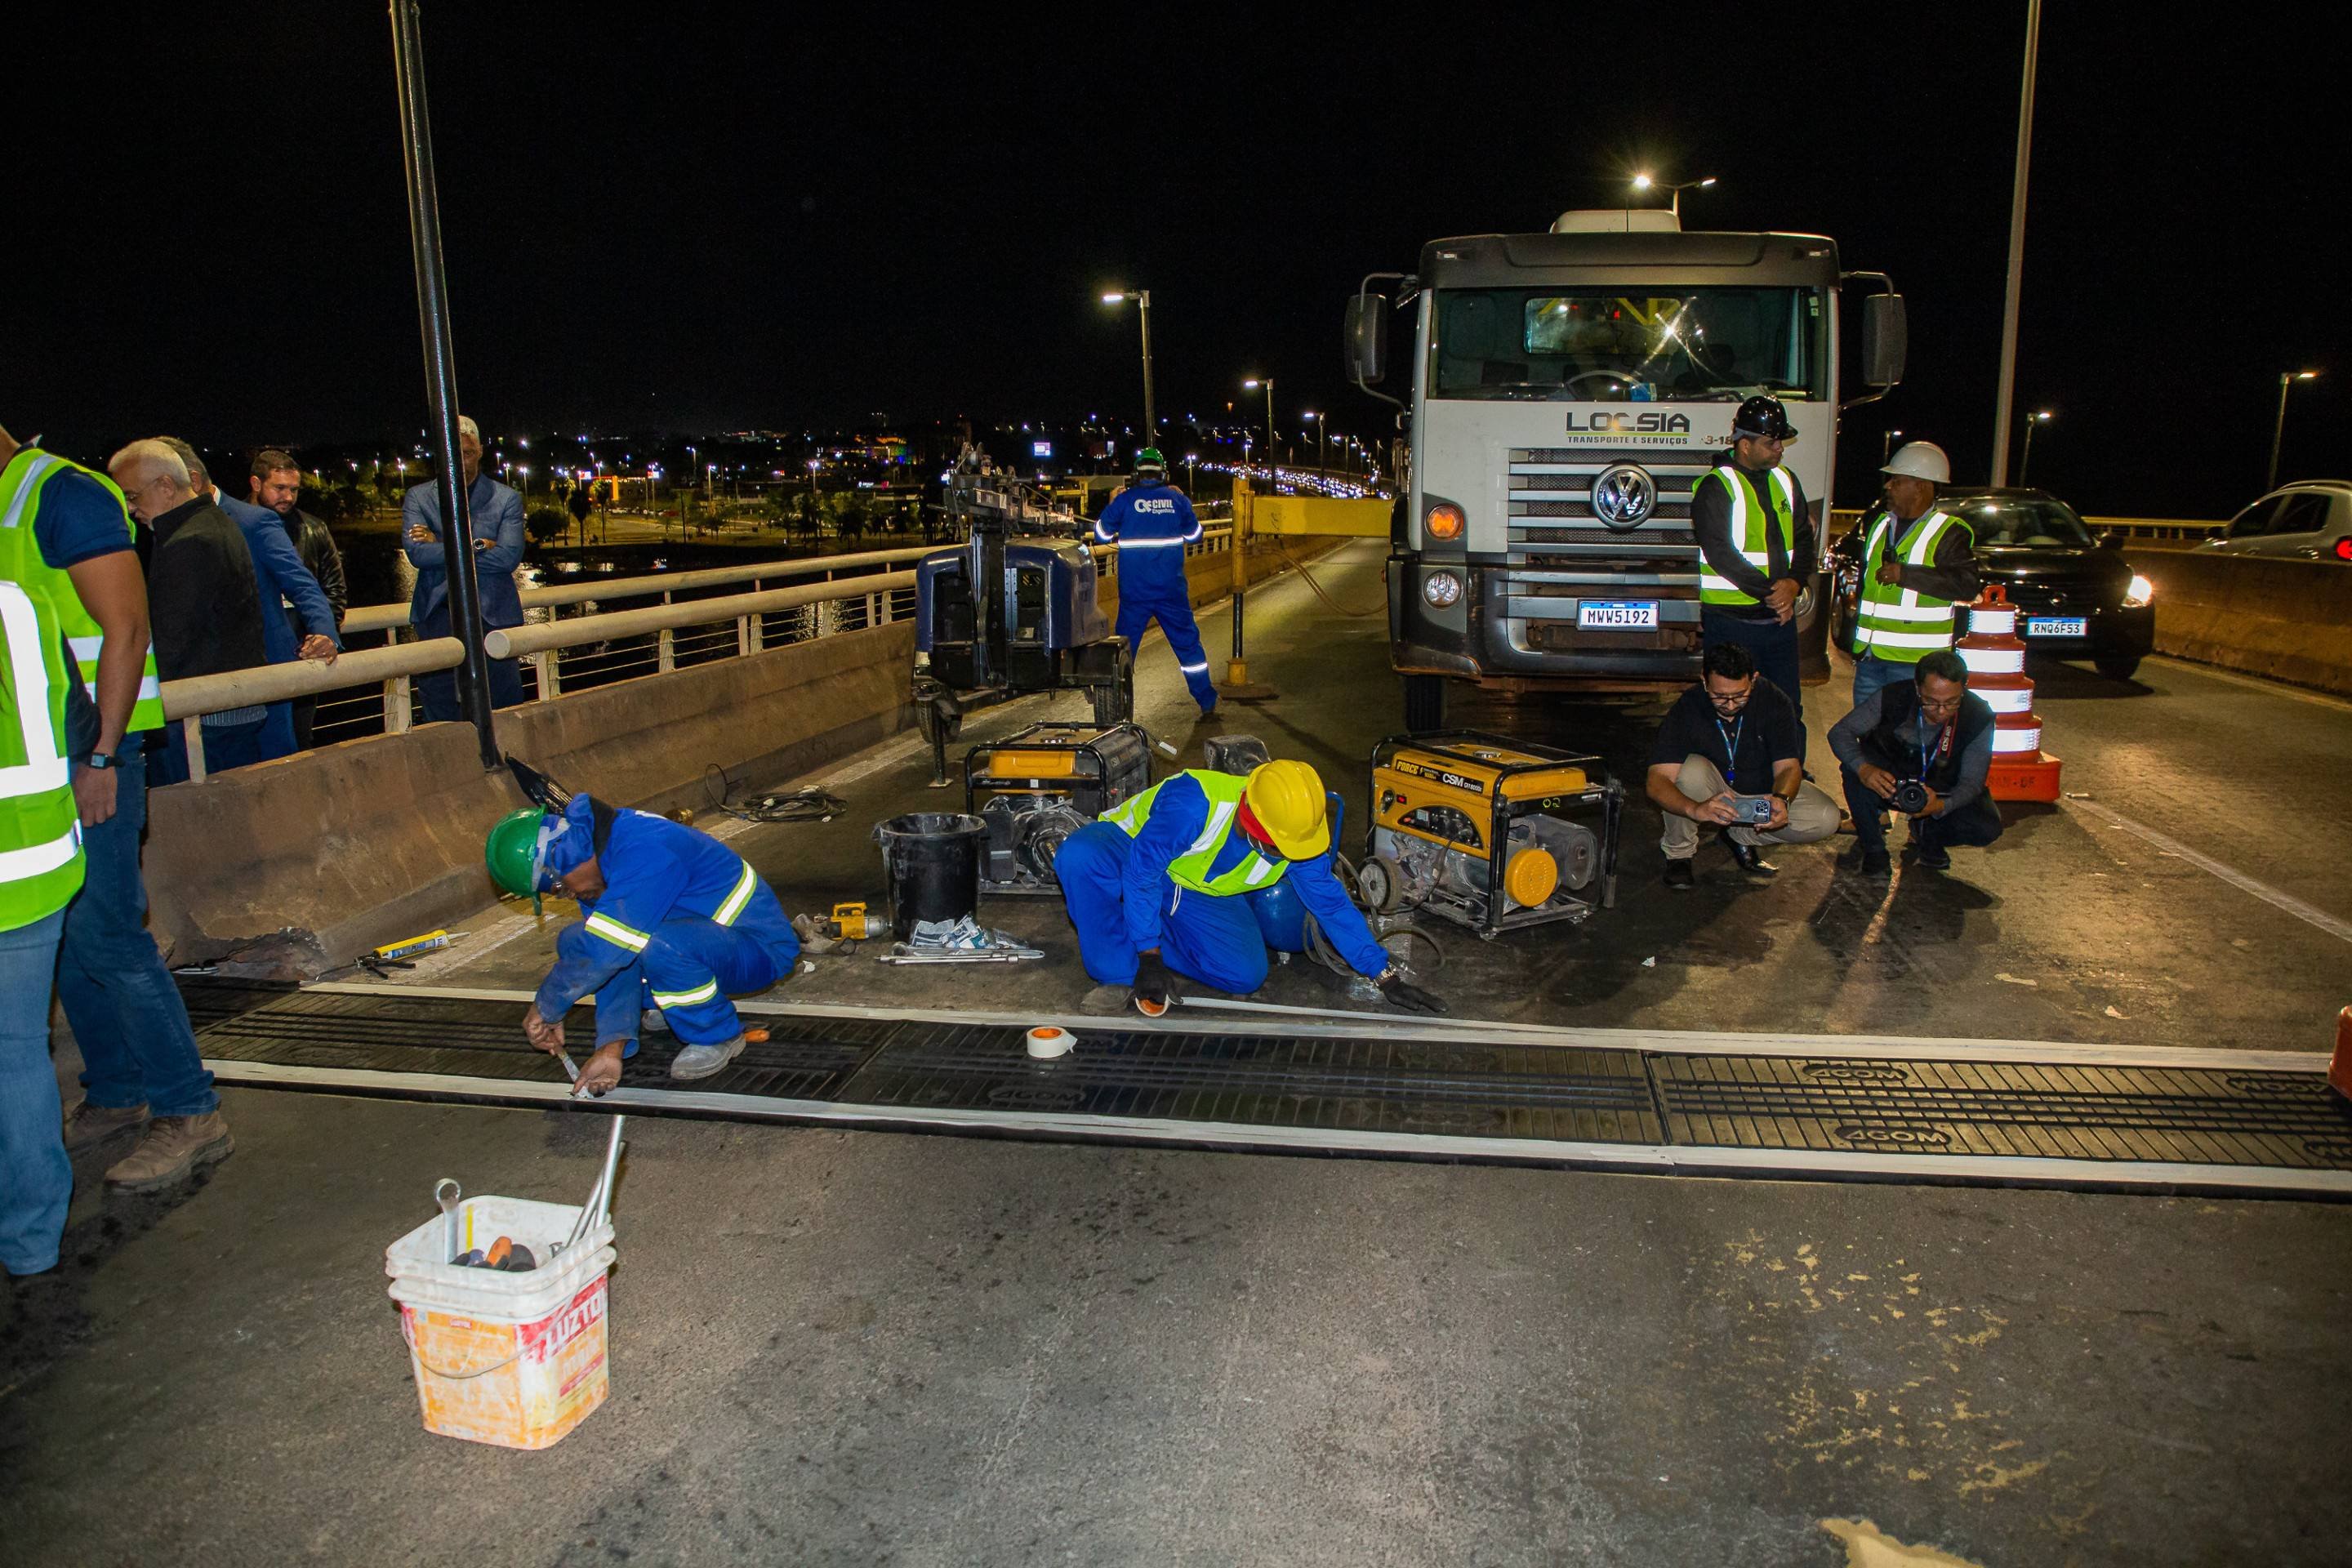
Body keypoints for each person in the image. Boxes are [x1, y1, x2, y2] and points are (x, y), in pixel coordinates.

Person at [1, 432, 234, 1192]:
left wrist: (103, 755)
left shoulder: (61, 493)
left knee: (107, 935)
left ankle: (189, 1109)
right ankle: (116, 1090)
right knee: (65, 936)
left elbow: (126, 628)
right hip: (39, 767)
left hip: (94, 752)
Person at [1056, 756, 1445, 1017]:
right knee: (1080, 857)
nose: (1291, 855)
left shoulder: (1299, 837)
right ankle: (1123, 966)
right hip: (1130, 851)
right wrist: (1148, 954)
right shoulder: (1196, 804)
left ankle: (1150, 930)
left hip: (1192, 889)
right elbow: (1141, 872)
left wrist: (1383, 974)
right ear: (1250, 822)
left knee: (1245, 974)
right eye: (1281, 847)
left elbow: (1331, 906)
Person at [488, 791, 801, 1095]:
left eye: (558, 888)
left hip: (759, 948)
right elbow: (614, 957)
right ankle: (671, 1003)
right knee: (577, 939)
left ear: (564, 855)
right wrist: (612, 1046)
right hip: (707, 941)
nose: (568, 896)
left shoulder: (644, 850)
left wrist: (546, 1007)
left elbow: (606, 954)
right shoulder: (600, 859)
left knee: (655, 946)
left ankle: (717, 1035)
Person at [0, 427, 92, 1274]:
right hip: (36, 859)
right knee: (19, 1052)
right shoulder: (22, 595)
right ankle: (29, 1239)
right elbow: (74, 709)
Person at [158, 437, 340, 762]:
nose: (131, 506)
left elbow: (304, 585)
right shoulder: (165, 528)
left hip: (265, 672)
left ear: (191, 480)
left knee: (274, 767)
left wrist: (324, 632)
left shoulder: (252, 522)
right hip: (200, 681)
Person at [107, 441, 273, 781]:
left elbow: (169, 641)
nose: (129, 508)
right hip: (230, 709)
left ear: (166, 486)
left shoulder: (187, 542)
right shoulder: (216, 524)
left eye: (133, 496)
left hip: (202, 719)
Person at [1646, 641, 1841, 889]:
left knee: (1826, 818)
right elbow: (1656, 781)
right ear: (1704, 681)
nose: (1729, 705)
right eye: (1719, 696)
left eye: (1739, 696)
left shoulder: (1776, 702)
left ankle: (1740, 835)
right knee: (1688, 771)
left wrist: (1782, 800)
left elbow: (1788, 768)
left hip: (1761, 791)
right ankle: (1679, 854)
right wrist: (1695, 809)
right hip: (1711, 789)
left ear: (1754, 679)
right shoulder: (1688, 707)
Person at [1691, 395, 1816, 755]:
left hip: (1777, 621)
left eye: (1780, 440)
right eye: (1771, 442)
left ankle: (1791, 779)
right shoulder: (1716, 486)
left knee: (1787, 706)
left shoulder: (1786, 481)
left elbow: (1804, 539)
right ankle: (1728, 774)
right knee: (1728, 706)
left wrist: (1794, 584)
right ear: (1744, 445)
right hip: (1731, 622)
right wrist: (1773, 594)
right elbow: (1720, 554)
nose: (1780, 448)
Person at [1830, 649, 2004, 877]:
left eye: (1952, 702)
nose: (1941, 711)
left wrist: (1940, 806)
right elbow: (1840, 732)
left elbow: (1972, 782)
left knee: (1985, 826)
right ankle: (1873, 848)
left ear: (1963, 688)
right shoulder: (1893, 696)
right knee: (1852, 771)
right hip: (1890, 780)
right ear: (1917, 688)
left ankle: (1929, 836)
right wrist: (1864, 768)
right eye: (1930, 702)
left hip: (1940, 788)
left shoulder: (1978, 715)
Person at [405, 416, 526, 721]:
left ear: (481, 451)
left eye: (467, 453)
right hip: (437, 617)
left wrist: (441, 542)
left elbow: (508, 558)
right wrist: (479, 545)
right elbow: (418, 554)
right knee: (440, 710)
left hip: (493, 618)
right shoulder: (418, 497)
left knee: (504, 710)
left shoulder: (507, 499)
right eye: (451, 453)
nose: (459, 462)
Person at [1849, 440, 1978, 706]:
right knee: (1864, 736)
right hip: (1871, 658)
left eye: (1896, 481)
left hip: (1915, 665)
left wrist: (1905, 575)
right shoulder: (1880, 525)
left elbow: (1966, 585)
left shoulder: (1949, 531)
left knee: (1904, 739)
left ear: (1920, 486)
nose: (1888, 486)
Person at [1093, 448, 1216, 718]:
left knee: (1123, 652)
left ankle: (1117, 710)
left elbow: (1101, 535)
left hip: (1134, 594)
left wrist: (1112, 500)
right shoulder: (1176, 500)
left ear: (1137, 474)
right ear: (1163, 473)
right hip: (1172, 592)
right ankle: (1207, 701)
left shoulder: (1125, 501)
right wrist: (1183, 499)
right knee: (1188, 646)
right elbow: (1195, 535)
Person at [248, 449, 347, 747]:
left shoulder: (314, 528)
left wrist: (320, 635)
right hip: (255, 655)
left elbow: (335, 590)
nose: (288, 497)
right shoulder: (233, 526)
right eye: (279, 488)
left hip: (303, 651)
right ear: (256, 484)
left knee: (300, 736)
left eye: (294, 490)